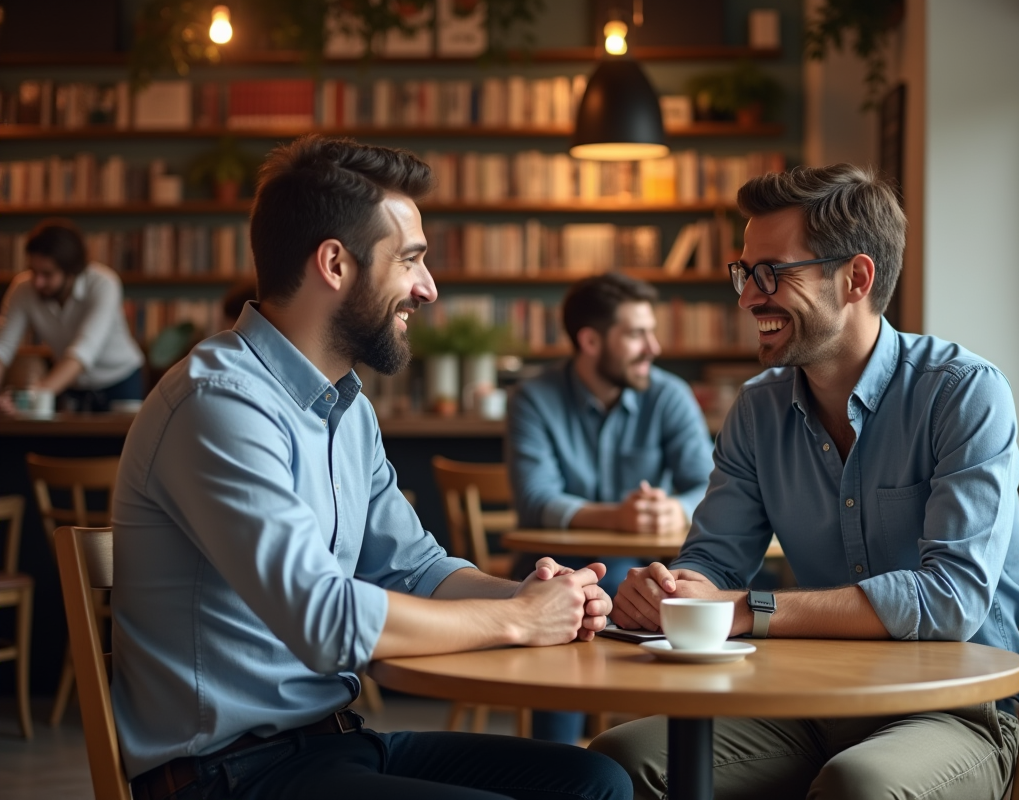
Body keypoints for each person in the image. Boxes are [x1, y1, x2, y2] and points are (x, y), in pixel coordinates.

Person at [110, 135, 631, 800]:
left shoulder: (345, 408)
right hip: (229, 773)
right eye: (411, 260)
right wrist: (520, 622)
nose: (429, 289)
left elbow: (415, 568)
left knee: (595, 780)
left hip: (332, 742)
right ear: (334, 263)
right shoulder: (219, 403)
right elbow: (327, 621)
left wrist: (533, 595)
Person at [590, 164, 1019, 800]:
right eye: (744, 274)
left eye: (772, 272)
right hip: (808, 702)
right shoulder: (756, 409)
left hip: (954, 711)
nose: (747, 298)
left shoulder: (964, 393)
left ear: (856, 278)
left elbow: (953, 599)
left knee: (858, 785)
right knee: (617, 762)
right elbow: (714, 561)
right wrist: (671, 594)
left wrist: (746, 610)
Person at [506, 272, 714, 744]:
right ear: (591, 340)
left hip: (642, 571)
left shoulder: (670, 396)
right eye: (637, 334)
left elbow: (707, 486)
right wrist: (615, 517)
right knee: (559, 587)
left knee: (639, 582)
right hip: (550, 567)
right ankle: (558, 765)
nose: (654, 347)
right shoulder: (533, 399)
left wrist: (675, 510)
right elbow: (537, 500)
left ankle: (652, 753)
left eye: (652, 331)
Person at [0, 219, 144, 413]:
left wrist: (32, 397)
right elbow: (3, 348)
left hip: (120, 381)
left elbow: (83, 351)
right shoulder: (23, 289)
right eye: (33, 271)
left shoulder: (104, 284)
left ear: (71, 272)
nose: (38, 282)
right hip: (71, 386)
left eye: (47, 274)